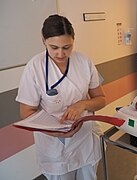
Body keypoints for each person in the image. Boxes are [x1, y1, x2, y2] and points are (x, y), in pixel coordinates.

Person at [16, 14, 106, 180]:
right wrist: (54, 132)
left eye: (67, 47)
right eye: (54, 47)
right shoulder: (35, 67)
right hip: (54, 147)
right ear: (43, 40)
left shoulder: (84, 62)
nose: (60, 53)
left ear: (73, 40)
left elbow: (101, 99)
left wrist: (83, 104)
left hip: (85, 140)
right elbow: (26, 112)